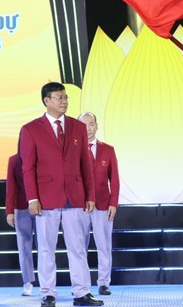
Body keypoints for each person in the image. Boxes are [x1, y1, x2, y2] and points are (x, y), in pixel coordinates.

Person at [19, 82, 103, 307]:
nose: (65, 101)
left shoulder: (77, 127)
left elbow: (86, 165)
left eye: (66, 97)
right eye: (59, 97)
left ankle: (81, 293)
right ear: (47, 100)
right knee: (46, 248)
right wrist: (32, 198)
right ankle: (48, 293)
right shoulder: (31, 129)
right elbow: (28, 167)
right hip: (45, 200)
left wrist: (90, 195)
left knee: (77, 247)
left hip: (75, 197)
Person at [78, 112, 119, 297]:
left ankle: (103, 283)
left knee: (104, 246)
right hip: (79, 205)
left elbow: (115, 179)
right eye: (84, 125)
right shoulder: (72, 150)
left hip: (103, 205)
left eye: (91, 124)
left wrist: (113, 203)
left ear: (97, 126)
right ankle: (82, 285)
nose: (87, 128)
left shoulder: (108, 150)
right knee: (79, 247)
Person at [6, 147, 36, 297]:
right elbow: (10, 187)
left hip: (41, 207)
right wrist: (9, 211)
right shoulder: (14, 160)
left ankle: (47, 282)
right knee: (24, 246)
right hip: (21, 208)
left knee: (45, 246)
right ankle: (28, 282)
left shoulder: (40, 157)